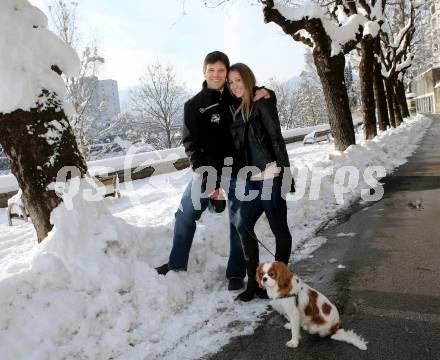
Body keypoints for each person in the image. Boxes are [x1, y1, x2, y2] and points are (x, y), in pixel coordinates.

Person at [155, 52, 269, 291]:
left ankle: (236, 273)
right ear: (204, 71)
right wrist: (209, 179)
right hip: (207, 171)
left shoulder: (234, 95)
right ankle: (176, 264)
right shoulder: (194, 105)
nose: (216, 75)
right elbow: (191, 146)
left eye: (221, 70)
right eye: (211, 70)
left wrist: (268, 93)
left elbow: (256, 92)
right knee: (185, 215)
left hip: (239, 171)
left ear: (227, 72)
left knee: (239, 223)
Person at [227, 63, 294, 301]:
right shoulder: (237, 110)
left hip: (270, 177)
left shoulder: (262, 104)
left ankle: (279, 282)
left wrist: (286, 175)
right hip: (252, 180)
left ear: (248, 80)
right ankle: (254, 285)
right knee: (243, 226)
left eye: (238, 80)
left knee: (279, 230)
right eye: (231, 82)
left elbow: (276, 140)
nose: (234, 86)